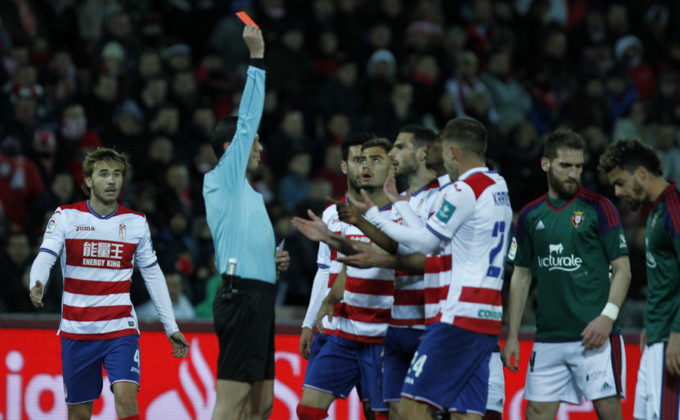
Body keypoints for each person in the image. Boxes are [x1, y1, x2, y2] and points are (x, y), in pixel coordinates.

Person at [338, 117, 512, 420]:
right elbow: (433, 233)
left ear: (453, 152)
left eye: (442, 150)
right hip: (487, 318)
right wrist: (400, 204)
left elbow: (427, 242)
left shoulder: (464, 190)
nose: (439, 156)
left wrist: (375, 217)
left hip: (456, 317)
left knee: (412, 408)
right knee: (466, 414)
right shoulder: (496, 184)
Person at [28, 147, 190, 420]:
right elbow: (46, 255)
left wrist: (170, 326)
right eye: (104, 174)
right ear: (89, 181)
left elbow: (152, 273)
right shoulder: (66, 216)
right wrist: (37, 282)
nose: (112, 180)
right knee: (79, 413)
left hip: (120, 328)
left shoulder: (136, 223)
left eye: (117, 174)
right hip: (77, 330)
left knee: (127, 401)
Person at [501, 128, 631, 420]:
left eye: (579, 166)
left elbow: (623, 269)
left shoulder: (600, 208)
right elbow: (521, 276)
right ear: (546, 164)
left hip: (595, 335)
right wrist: (511, 335)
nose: (574, 173)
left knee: (609, 412)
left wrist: (607, 318)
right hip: (548, 337)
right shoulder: (530, 215)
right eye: (566, 166)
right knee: (535, 412)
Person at [203, 25, 290, 420]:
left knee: (262, 404)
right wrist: (257, 58)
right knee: (232, 402)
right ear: (231, 147)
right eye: (252, 141)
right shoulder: (223, 177)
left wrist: (271, 260)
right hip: (241, 299)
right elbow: (249, 118)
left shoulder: (248, 194)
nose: (259, 146)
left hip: (260, 294)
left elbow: (242, 241)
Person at [293, 137, 395, 420]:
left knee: (376, 414)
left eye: (374, 160)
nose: (364, 167)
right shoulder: (336, 213)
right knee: (308, 410)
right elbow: (335, 268)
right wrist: (319, 309)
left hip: (383, 333)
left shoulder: (402, 213)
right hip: (341, 327)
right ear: (345, 166)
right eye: (359, 160)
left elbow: (375, 256)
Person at [598, 139, 680, 420]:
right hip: (657, 336)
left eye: (620, 182)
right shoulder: (658, 209)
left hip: (671, 340)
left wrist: (677, 334)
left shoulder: (676, 205)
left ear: (642, 174)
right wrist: (652, 323)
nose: (618, 192)